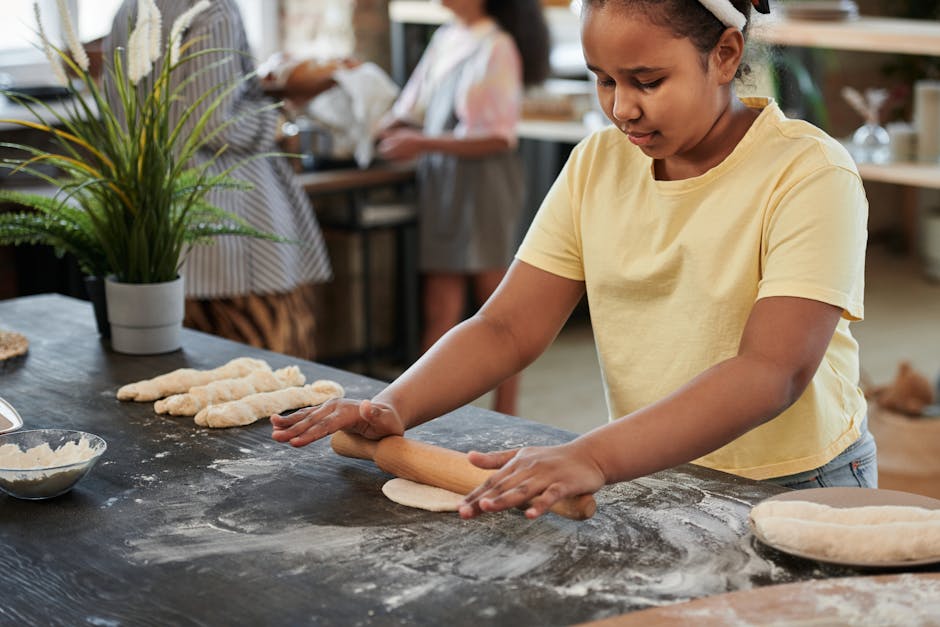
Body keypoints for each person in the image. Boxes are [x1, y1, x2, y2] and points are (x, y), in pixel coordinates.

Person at [272, 0, 875, 520]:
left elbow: (771, 371)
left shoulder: (808, 174)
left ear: (724, 54)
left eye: (646, 81)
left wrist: (592, 454)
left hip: (798, 482)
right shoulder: (597, 164)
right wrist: (394, 404)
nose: (621, 109)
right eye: (604, 80)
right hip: (654, 468)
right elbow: (507, 327)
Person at [105, 0, 332, 360]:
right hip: (231, 219)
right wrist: (281, 118)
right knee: (269, 373)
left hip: (156, 214)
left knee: (184, 378)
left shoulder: (130, 7)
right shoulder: (215, 9)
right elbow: (215, 122)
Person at [375, 0, 550, 415]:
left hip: (484, 180)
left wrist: (421, 143)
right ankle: (424, 408)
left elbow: (498, 136)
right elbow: (410, 106)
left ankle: (507, 413)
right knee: (439, 303)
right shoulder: (445, 38)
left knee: (498, 306)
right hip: (443, 180)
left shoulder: (497, 46)